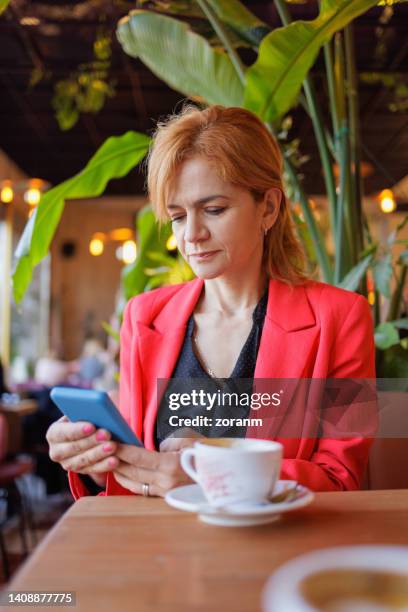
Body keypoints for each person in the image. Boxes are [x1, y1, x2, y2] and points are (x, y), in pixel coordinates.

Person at [46, 105, 376, 499]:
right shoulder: (144, 317)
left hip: (276, 549)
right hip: (162, 551)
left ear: (268, 208)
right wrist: (95, 461)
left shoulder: (339, 318)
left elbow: (340, 478)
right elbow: (137, 472)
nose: (192, 235)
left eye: (214, 209)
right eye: (178, 216)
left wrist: (212, 470)